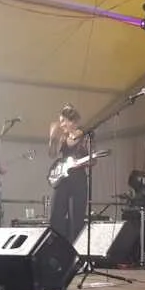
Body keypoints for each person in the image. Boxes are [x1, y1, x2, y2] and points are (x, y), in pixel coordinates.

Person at [48, 104, 89, 244]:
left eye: (63, 121)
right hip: (62, 180)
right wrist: (52, 138)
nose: (61, 125)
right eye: (60, 121)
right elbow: (52, 154)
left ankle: (74, 250)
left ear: (72, 121)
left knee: (76, 221)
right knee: (55, 218)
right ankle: (56, 249)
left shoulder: (85, 136)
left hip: (78, 181)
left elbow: (93, 160)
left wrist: (79, 163)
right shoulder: (63, 137)